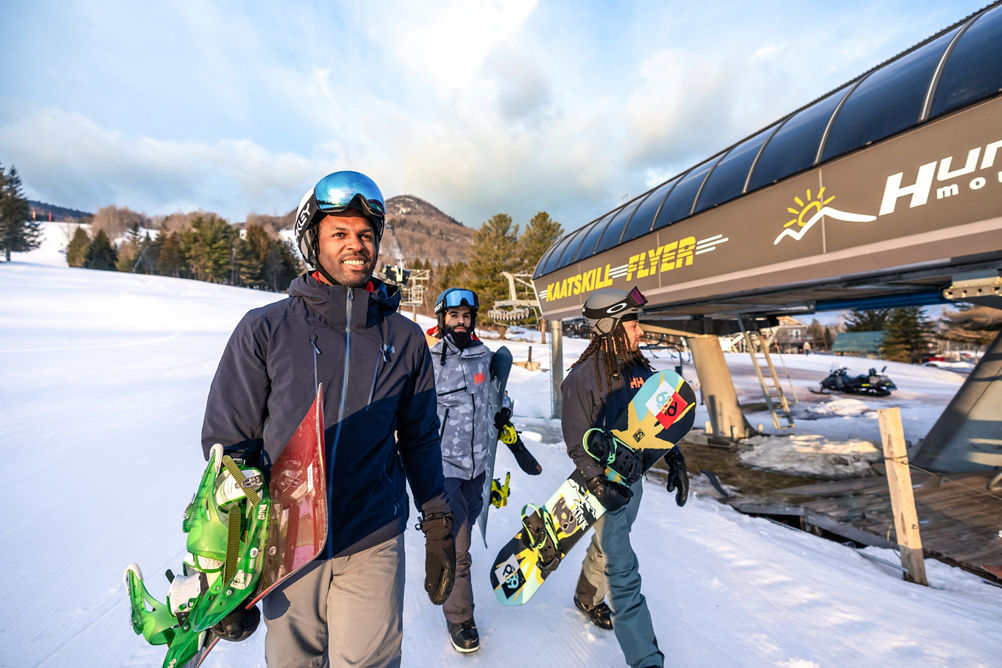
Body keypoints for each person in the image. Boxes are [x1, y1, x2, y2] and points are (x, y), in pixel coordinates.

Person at [201, 170, 456, 668]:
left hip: (372, 535)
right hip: (287, 542)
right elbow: (229, 451)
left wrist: (439, 518)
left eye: (365, 235)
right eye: (339, 233)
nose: (355, 245)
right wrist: (227, 570)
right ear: (312, 242)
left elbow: (421, 439)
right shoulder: (266, 329)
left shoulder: (404, 340)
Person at [561, 287, 689, 668]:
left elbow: (659, 423)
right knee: (622, 566)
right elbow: (576, 440)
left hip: (634, 482)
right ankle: (645, 657)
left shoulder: (640, 370)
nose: (640, 329)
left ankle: (586, 596)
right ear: (610, 325)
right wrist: (598, 483)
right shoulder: (582, 379)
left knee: (607, 546)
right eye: (632, 321)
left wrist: (676, 458)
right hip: (604, 485)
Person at [426, 286, 508, 653]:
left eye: (466, 317)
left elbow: (496, 394)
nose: (460, 323)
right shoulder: (428, 359)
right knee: (460, 549)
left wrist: (505, 408)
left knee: (466, 533)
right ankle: (460, 618)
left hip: (478, 468)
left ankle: (443, 560)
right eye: (453, 316)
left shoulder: (482, 355)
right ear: (442, 318)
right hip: (445, 469)